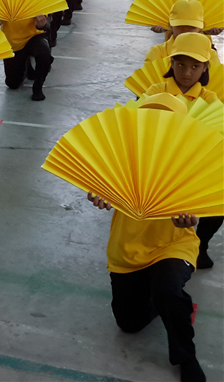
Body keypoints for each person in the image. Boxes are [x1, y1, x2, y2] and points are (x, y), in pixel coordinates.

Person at [86, 100, 205, 382]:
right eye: (150, 119)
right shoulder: (121, 157)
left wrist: (190, 220)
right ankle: (162, 302)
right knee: (129, 324)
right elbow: (99, 188)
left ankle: (186, 356)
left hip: (172, 245)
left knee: (168, 290)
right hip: (127, 248)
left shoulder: (191, 161)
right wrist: (97, 196)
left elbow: (200, 204)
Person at [0, 0, 54, 101]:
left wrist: (41, 24)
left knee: (44, 53)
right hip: (12, 42)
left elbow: (45, 24)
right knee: (12, 84)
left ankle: (38, 86)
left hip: (33, 37)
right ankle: (26, 65)